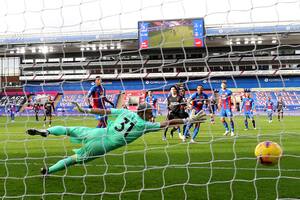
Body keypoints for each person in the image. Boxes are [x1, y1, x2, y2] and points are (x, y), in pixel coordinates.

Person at [26, 102, 206, 175]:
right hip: (104, 145)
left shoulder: (125, 111)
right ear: (143, 111)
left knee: (69, 129)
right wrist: (186, 119)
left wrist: (86, 110)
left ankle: (47, 131)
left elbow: (103, 111)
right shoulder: (144, 126)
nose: (152, 113)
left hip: (99, 132)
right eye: (150, 111)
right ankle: (48, 170)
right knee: (75, 159)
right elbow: (167, 123)